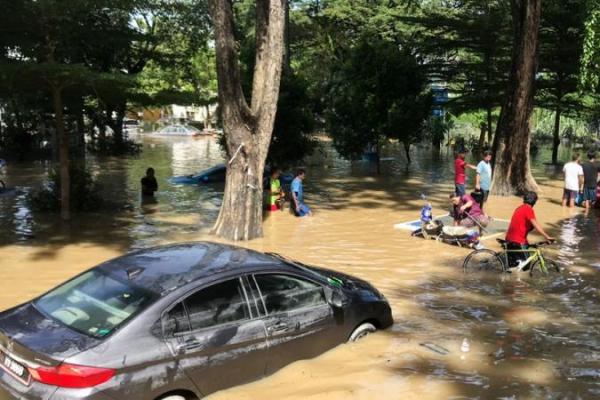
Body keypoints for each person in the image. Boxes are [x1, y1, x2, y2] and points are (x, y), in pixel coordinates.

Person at [505, 191, 554, 267]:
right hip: (518, 241)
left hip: (510, 239)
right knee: (527, 266)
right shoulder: (528, 209)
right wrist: (547, 236)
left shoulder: (519, 208)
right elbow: (535, 224)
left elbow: (525, 227)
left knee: (512, 266)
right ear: (534, 202)